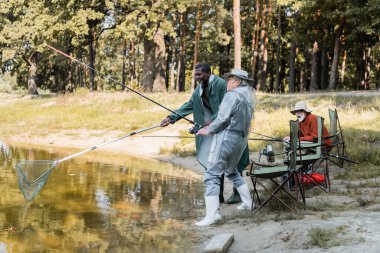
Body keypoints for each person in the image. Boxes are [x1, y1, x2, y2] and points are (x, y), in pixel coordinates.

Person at [160, 63, 249, 204]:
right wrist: (171, 117)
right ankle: (218, 195)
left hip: (229, 130)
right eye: (195, 75)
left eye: (199, 74)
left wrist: (210, 123)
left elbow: (226, 108)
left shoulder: (220, 84)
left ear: (208, 73)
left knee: (234, 162)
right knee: (213, 161)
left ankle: (238, 194)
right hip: (213, 131)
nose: (196, 77)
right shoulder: (199, 88)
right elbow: (189, 105)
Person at [194, 69, 256, 226]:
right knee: (231, 171)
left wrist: (207, 130)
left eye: (230, 79)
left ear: (238, 82)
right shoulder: (247, 97)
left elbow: (222, 118)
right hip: (239, 141)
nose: (227, 82)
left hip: (226, 139)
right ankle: (248, 204)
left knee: (211, 174)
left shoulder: (233, 95)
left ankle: (211, 217)